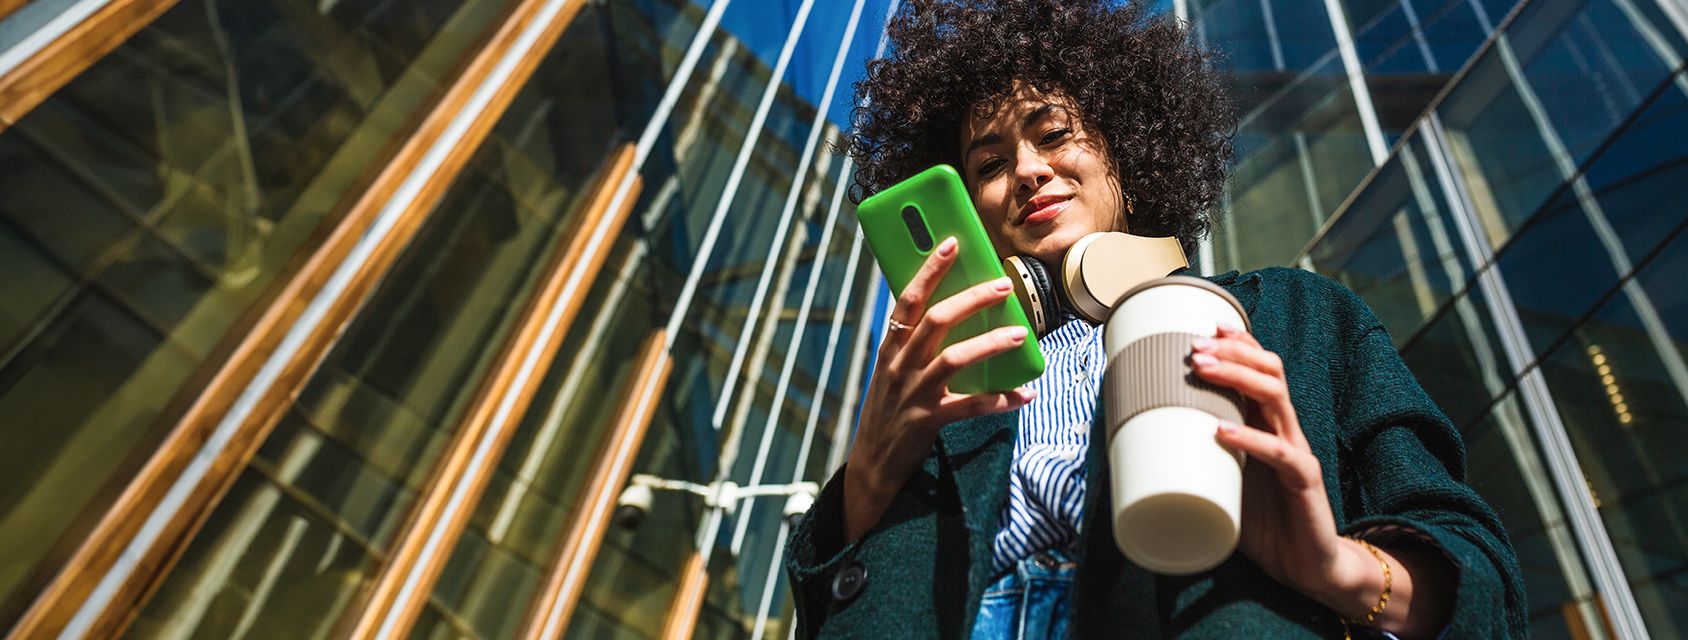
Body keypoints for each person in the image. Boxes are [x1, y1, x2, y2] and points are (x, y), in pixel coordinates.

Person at [783, 0, 1527, 638]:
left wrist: (1340, 568)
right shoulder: (943, 383)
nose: (1029, 170)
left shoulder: (1298, 314)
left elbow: (1480, 578)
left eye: (1053, 135)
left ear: (1126, 158)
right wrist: (864, 488)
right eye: (989, 165)